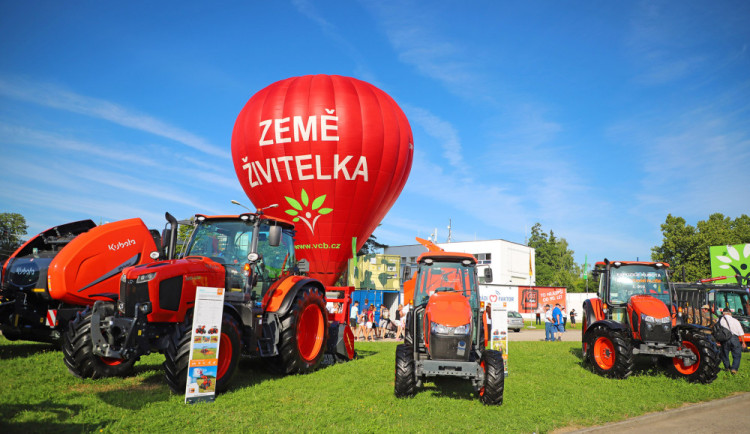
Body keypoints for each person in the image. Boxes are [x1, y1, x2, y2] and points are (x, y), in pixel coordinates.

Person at [718, 307, 746, 374]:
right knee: (737, 354)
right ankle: (734, 369)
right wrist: (743, 342)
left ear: (723, 313)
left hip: (724, 339)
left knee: (724, 354)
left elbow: (717, 331)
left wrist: (717, 341)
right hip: (734, 338)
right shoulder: (735, 321)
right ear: (730, 313)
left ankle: (727, 368)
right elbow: (741, 332)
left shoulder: (719, 320)